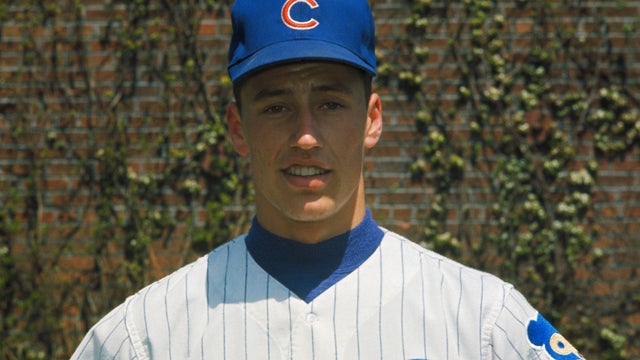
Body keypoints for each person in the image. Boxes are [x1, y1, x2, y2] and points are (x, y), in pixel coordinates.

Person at [71, 0, 584, 359]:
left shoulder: (482, 322)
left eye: (331, 102)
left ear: (372, 119)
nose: (307, 136)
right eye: (276, 106)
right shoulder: (143, 339)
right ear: (237, 127)